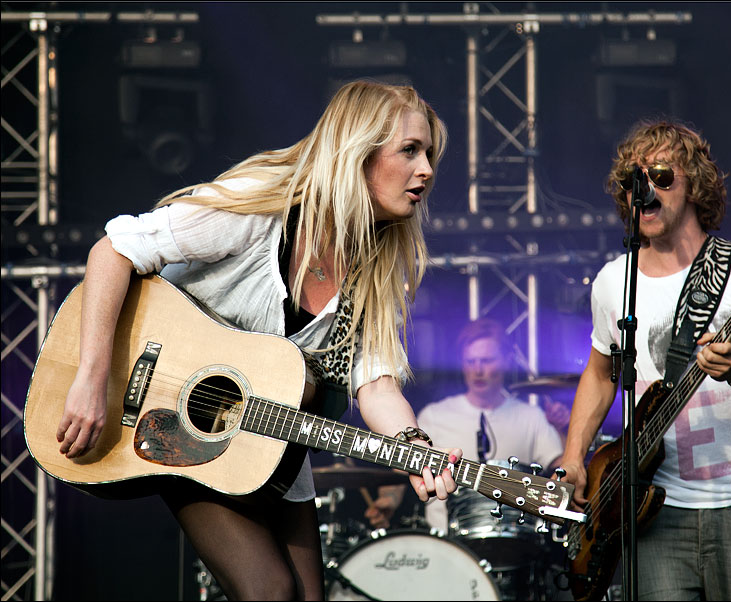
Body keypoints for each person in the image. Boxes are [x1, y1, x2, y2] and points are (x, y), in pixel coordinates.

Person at [54, 80, 463, 601]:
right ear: (357, 153)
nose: (426, 168)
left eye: (429, 153)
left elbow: (376, 386)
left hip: (268, 446)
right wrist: (93, 377)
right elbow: (113, 251)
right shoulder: (259, 211)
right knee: (269, 591)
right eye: (410, 150)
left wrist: (415, 449)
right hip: (169, 422)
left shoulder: (375, 272)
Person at [557, 120, 731, 600]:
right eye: (632, 182)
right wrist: (573, 455)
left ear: (695, 186)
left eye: (661, 176)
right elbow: (601, 374)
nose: (644, 191)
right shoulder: (612, 281)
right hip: (651, 510)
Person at [364, 318, 563, 534]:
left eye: (487, 361)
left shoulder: (531, 417)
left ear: (506, 361)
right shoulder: (434, 415)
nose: (477, 370)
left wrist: (563, 429)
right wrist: (388, 501)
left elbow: (560, 469)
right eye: (471, 361)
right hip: (447, 543)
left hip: (516, 538)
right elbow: (403, 468)